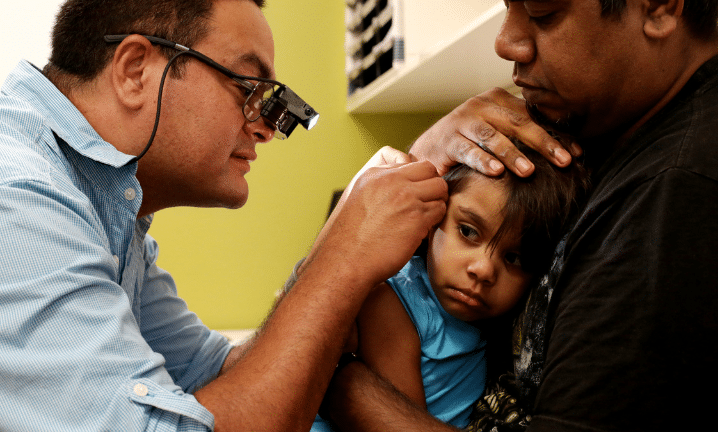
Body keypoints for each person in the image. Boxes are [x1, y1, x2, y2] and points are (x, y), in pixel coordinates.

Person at [0, 0, 451, 430]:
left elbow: (212, 371)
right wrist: (343, 260)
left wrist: (336, 247)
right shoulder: (19, 198)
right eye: (249, 89)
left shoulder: (107, 208)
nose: (266, 128)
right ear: (135, 71)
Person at [321, 1, 718, 431]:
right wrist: (425, 158)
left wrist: (334, 373)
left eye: (542, 12)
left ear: (659, 6)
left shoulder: (684, 192)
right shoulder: (611, 154)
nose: (506, 41)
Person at [311, 147, 588, 431]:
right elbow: (396, 422)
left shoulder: (498, 322)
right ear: (432, 221)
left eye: (514, 258)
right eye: (468, 231)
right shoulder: (391, 301)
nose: (482, 270)